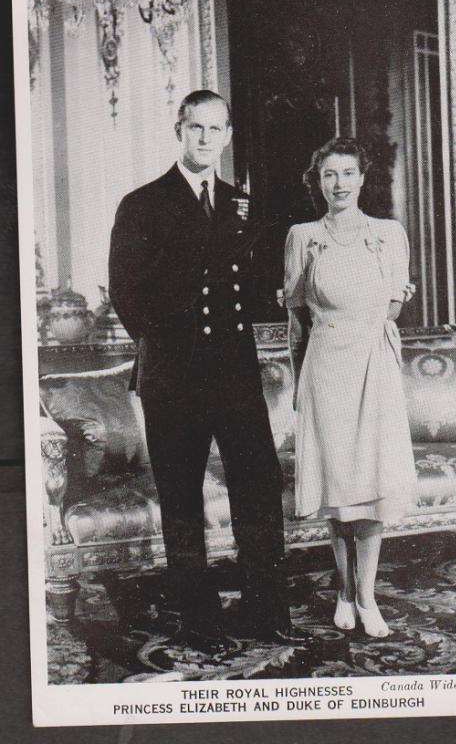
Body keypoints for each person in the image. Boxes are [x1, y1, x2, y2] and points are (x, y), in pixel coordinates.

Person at [109, 90, 305, 648]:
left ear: (226, 137)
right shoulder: (143, 203)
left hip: (236, 372)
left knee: (259, 485)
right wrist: (171, 347)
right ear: (180, 129)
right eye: (196, 128)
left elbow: (252, 282)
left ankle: (266, 609)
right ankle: (199, 617)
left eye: (215, 130)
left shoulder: (240, 203)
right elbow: (127, 295)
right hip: (174, 374)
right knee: (182, 496)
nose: (205, 139)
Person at [284, 137, 417, 638]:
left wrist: (367, 338)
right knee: (339, 488)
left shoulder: (388, 233)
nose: (339, 184)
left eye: (347, 173)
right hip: (325, 369)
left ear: (363, 178)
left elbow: (393, 306)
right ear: (318, 183)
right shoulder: (302, 235)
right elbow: (296, 315)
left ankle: (367, 596)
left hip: (373, 365)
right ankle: (343, 589)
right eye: (329, 175)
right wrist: (301, 384)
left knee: (374, 484)